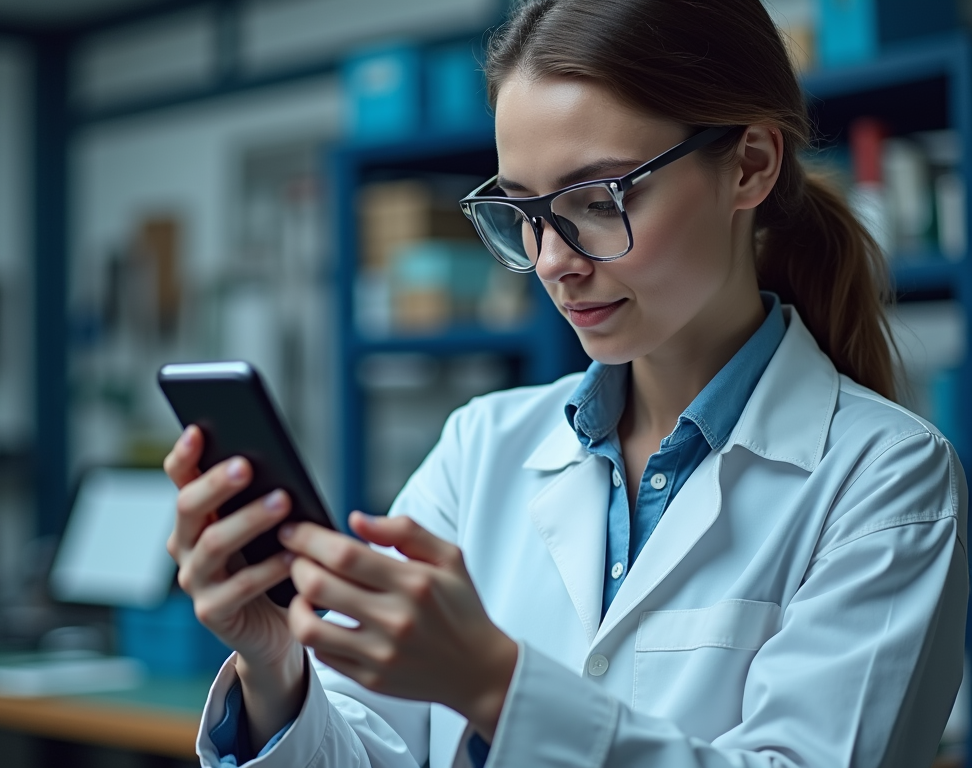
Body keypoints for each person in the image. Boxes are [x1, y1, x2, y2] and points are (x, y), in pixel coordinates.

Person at [163, 1, 969, 766]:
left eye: (598, 198)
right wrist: (275, 664)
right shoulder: (481, 446)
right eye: (524, 211)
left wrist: (496, 686)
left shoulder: (886, 478)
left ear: (750, 166)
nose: (553, 260)